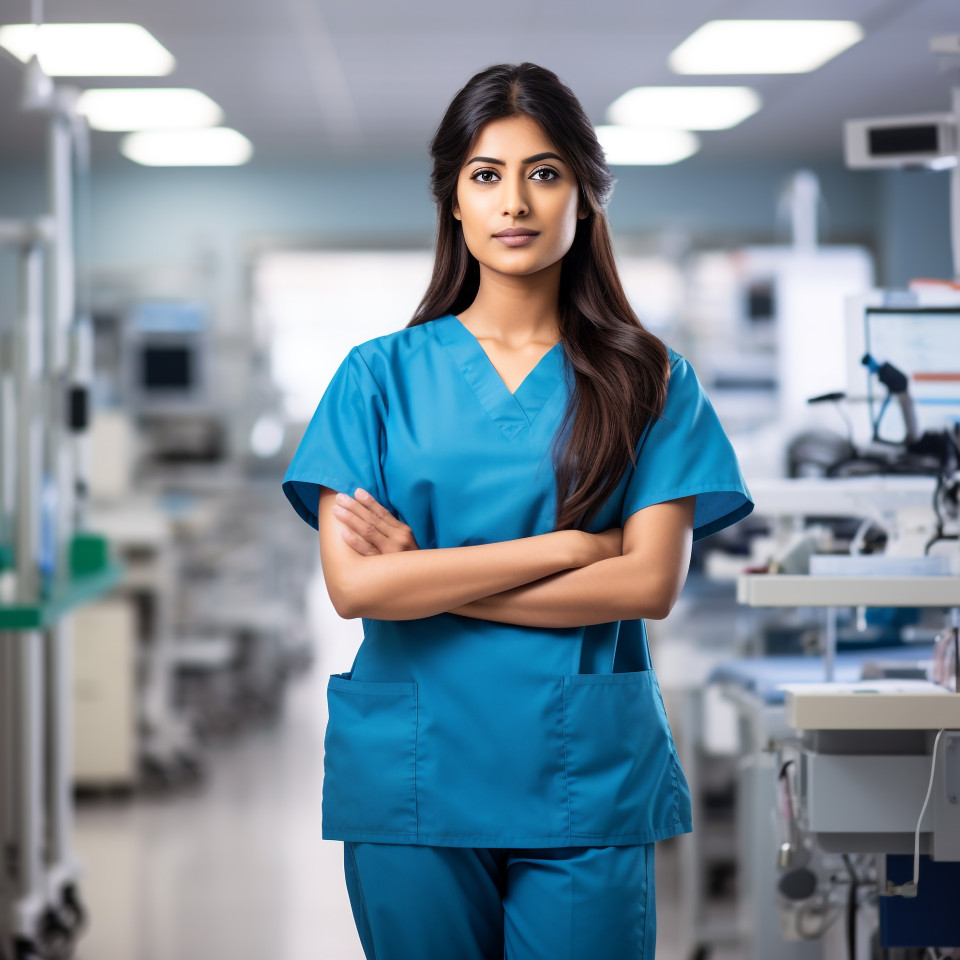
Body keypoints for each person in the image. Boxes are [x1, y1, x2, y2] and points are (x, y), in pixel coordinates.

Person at [282, 62, 752, 960]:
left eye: (544, 173)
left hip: (583, 779)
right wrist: (575, 547)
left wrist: (423, 577)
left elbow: (649, 582)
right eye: (486, 176)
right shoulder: (375, 379)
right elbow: (354, 588)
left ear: (585, 195)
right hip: (416, 777)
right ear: (452, 201)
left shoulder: (649, 382)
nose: (516, 202)